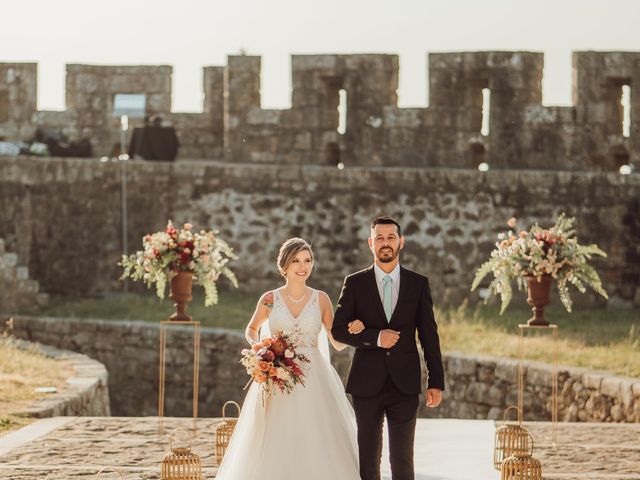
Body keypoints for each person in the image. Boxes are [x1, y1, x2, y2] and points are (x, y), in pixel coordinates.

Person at [215, 237, 363, 479]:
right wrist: (259, 347)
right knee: (276, 430)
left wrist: (353, 332)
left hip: (314, 377)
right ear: (284, 265)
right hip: (277, 373)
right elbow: (251, 329)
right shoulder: (269, 299)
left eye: (307, 260)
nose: (303, 266)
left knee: (315, 430)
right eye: (296, 261)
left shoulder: (321, 299)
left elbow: (335, 342)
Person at [332, 215, 445, 480]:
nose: (386, 243)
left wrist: (435, 381)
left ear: (401, 242)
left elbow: (429, 335)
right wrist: (374, 337)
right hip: (366, 383)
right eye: (379, 238)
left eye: (391, 237)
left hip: (404, 384)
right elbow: (337, 330)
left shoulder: (418, 284)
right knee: (369, 461)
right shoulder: (355, 283)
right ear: (370, 243)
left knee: (403, 460)